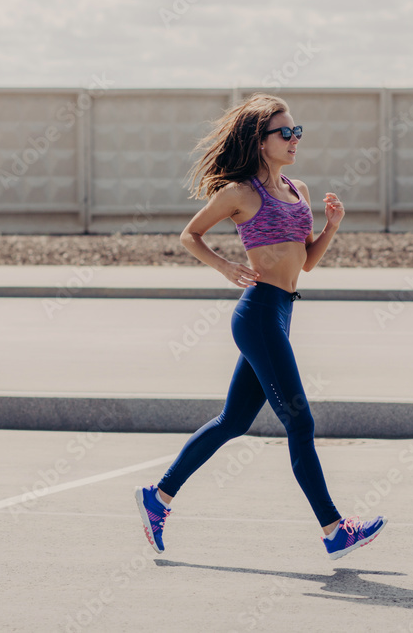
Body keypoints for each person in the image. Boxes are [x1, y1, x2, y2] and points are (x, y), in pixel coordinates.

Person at [135, 93, 386, 560]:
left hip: (282, 311)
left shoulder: (299, 190)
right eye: (284, 133)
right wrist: (225, 267)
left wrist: (332, 225)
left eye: (297, 132)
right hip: (258, 314)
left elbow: (306, 263)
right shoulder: (241, 193)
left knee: (234, 420)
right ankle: (334, 529)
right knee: (300, 421)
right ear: (261, 140)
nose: (294, 140)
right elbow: (190, 235)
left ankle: (158, 496)